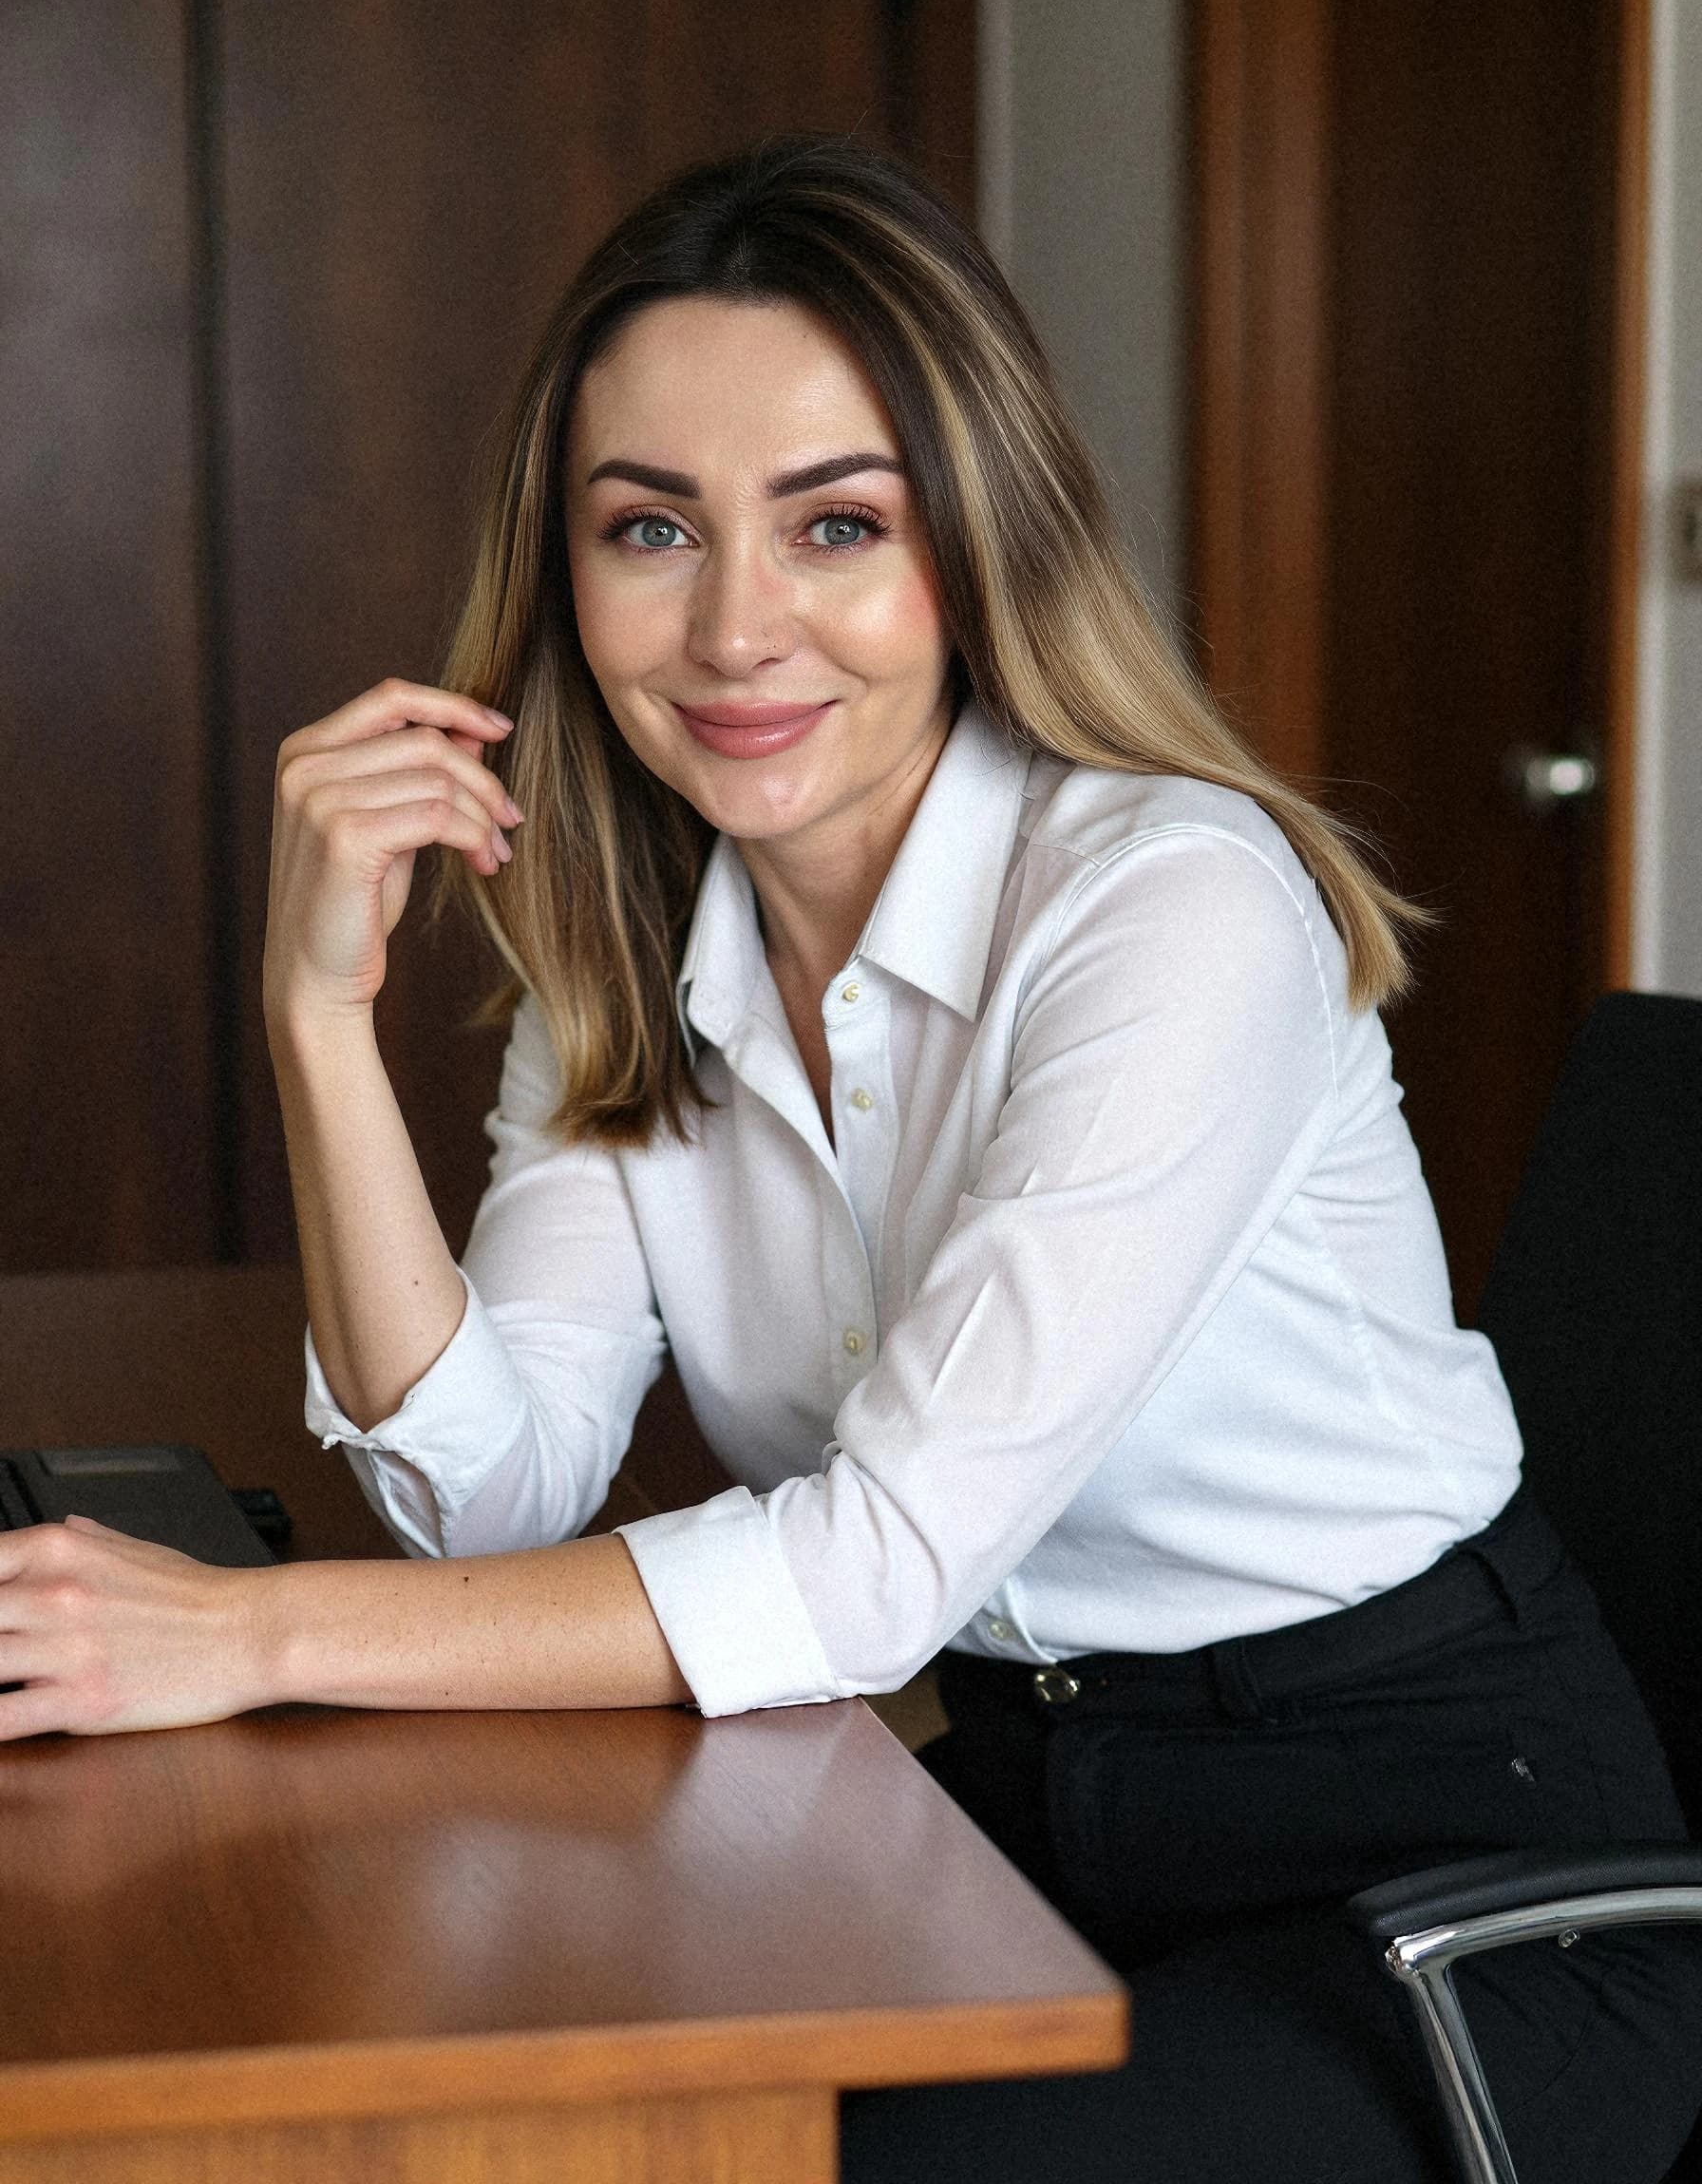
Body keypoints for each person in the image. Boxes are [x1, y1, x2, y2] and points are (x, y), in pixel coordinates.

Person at [1, 134, 1697, 2180]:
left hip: (1442, 1873)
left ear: (973, 547)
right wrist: (315, 1023)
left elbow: (864, 1574)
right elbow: (487, 1494)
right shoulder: (638, 937)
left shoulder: (1169, 909)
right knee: (502, 2067)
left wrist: (241, 1633)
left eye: (832, 526)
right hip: (1031, 1807)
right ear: (566, 567)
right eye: (650, 529)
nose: (732, 627)